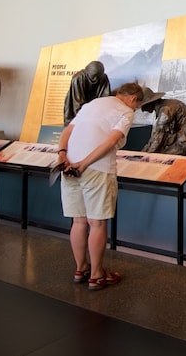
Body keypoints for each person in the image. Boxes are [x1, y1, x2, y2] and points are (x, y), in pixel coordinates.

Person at [55, 82, 144, 291]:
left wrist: (62, 155)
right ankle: (96, 275)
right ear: (132, 99)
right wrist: (84, 164)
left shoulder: (92, 104)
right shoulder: (125, 111)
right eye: (138, 106)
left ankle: (81, 268)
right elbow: (111, 141)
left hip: (68, 165)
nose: (136, 110)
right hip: (97, 169)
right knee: (97, 223)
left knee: (78, 221)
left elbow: (68, 131)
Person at [139, 87, 186, 155]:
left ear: (149, 103)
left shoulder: (166, 110)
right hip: (183, 136)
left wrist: (145, 154)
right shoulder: (166, 104)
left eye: (143, 106)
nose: (143, 110)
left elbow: (158, 137)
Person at [63, 61, 111, 125]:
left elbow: (105, 98)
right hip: (79, 112)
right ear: (87, 71)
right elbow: (77, 102)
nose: (96, 79)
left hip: (94, 112)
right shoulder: (78, 78)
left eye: (98, 76)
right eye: (93, 76)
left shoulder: (103, 78)